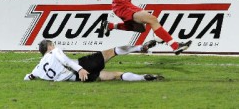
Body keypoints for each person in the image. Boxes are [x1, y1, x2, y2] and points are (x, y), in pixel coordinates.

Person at [24, 39, 163, 82]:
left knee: (116, 75)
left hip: (79, 79)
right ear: (49, 46)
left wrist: (29, 77)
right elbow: (65, 61)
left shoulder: (38, 68)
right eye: (52, 44)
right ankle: (140, 47)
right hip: (82, 67)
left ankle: (143, 78)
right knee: (112, 51)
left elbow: (28, 77)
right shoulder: (54, 51)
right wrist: (80, 69)